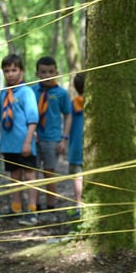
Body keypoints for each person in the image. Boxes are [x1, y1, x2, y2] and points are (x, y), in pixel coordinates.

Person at [0, 53, 39, 223]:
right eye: (7, 70)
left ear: (21, 71)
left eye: (14, 70)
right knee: (14, 177)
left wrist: (28, 141)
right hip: (9, 144)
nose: (10, 74)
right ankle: (16, 208)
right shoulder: (2, 94)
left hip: (25, 143)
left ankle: (32, 210)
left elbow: (33, 118)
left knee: (29, 176)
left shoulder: (26, 92)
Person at [32, 56, 71, 212]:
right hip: (34, 138)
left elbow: (68, 115)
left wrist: (64, 138)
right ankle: (34, 204)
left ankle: (50, 205)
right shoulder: (32, 91)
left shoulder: (61, 93)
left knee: (49, 172)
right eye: (43, 72)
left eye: (50, 72)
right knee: (32, 173)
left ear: (57, 72)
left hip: (52, 139)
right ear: (37, 73)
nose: (47, 75)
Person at [67, 72, 85, 219]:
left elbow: (68, 122)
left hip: (76, 146)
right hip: (89, 146)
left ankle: (79, 204)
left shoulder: (73, 103)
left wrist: (64, 138)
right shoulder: (96, 104)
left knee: (78, 176)